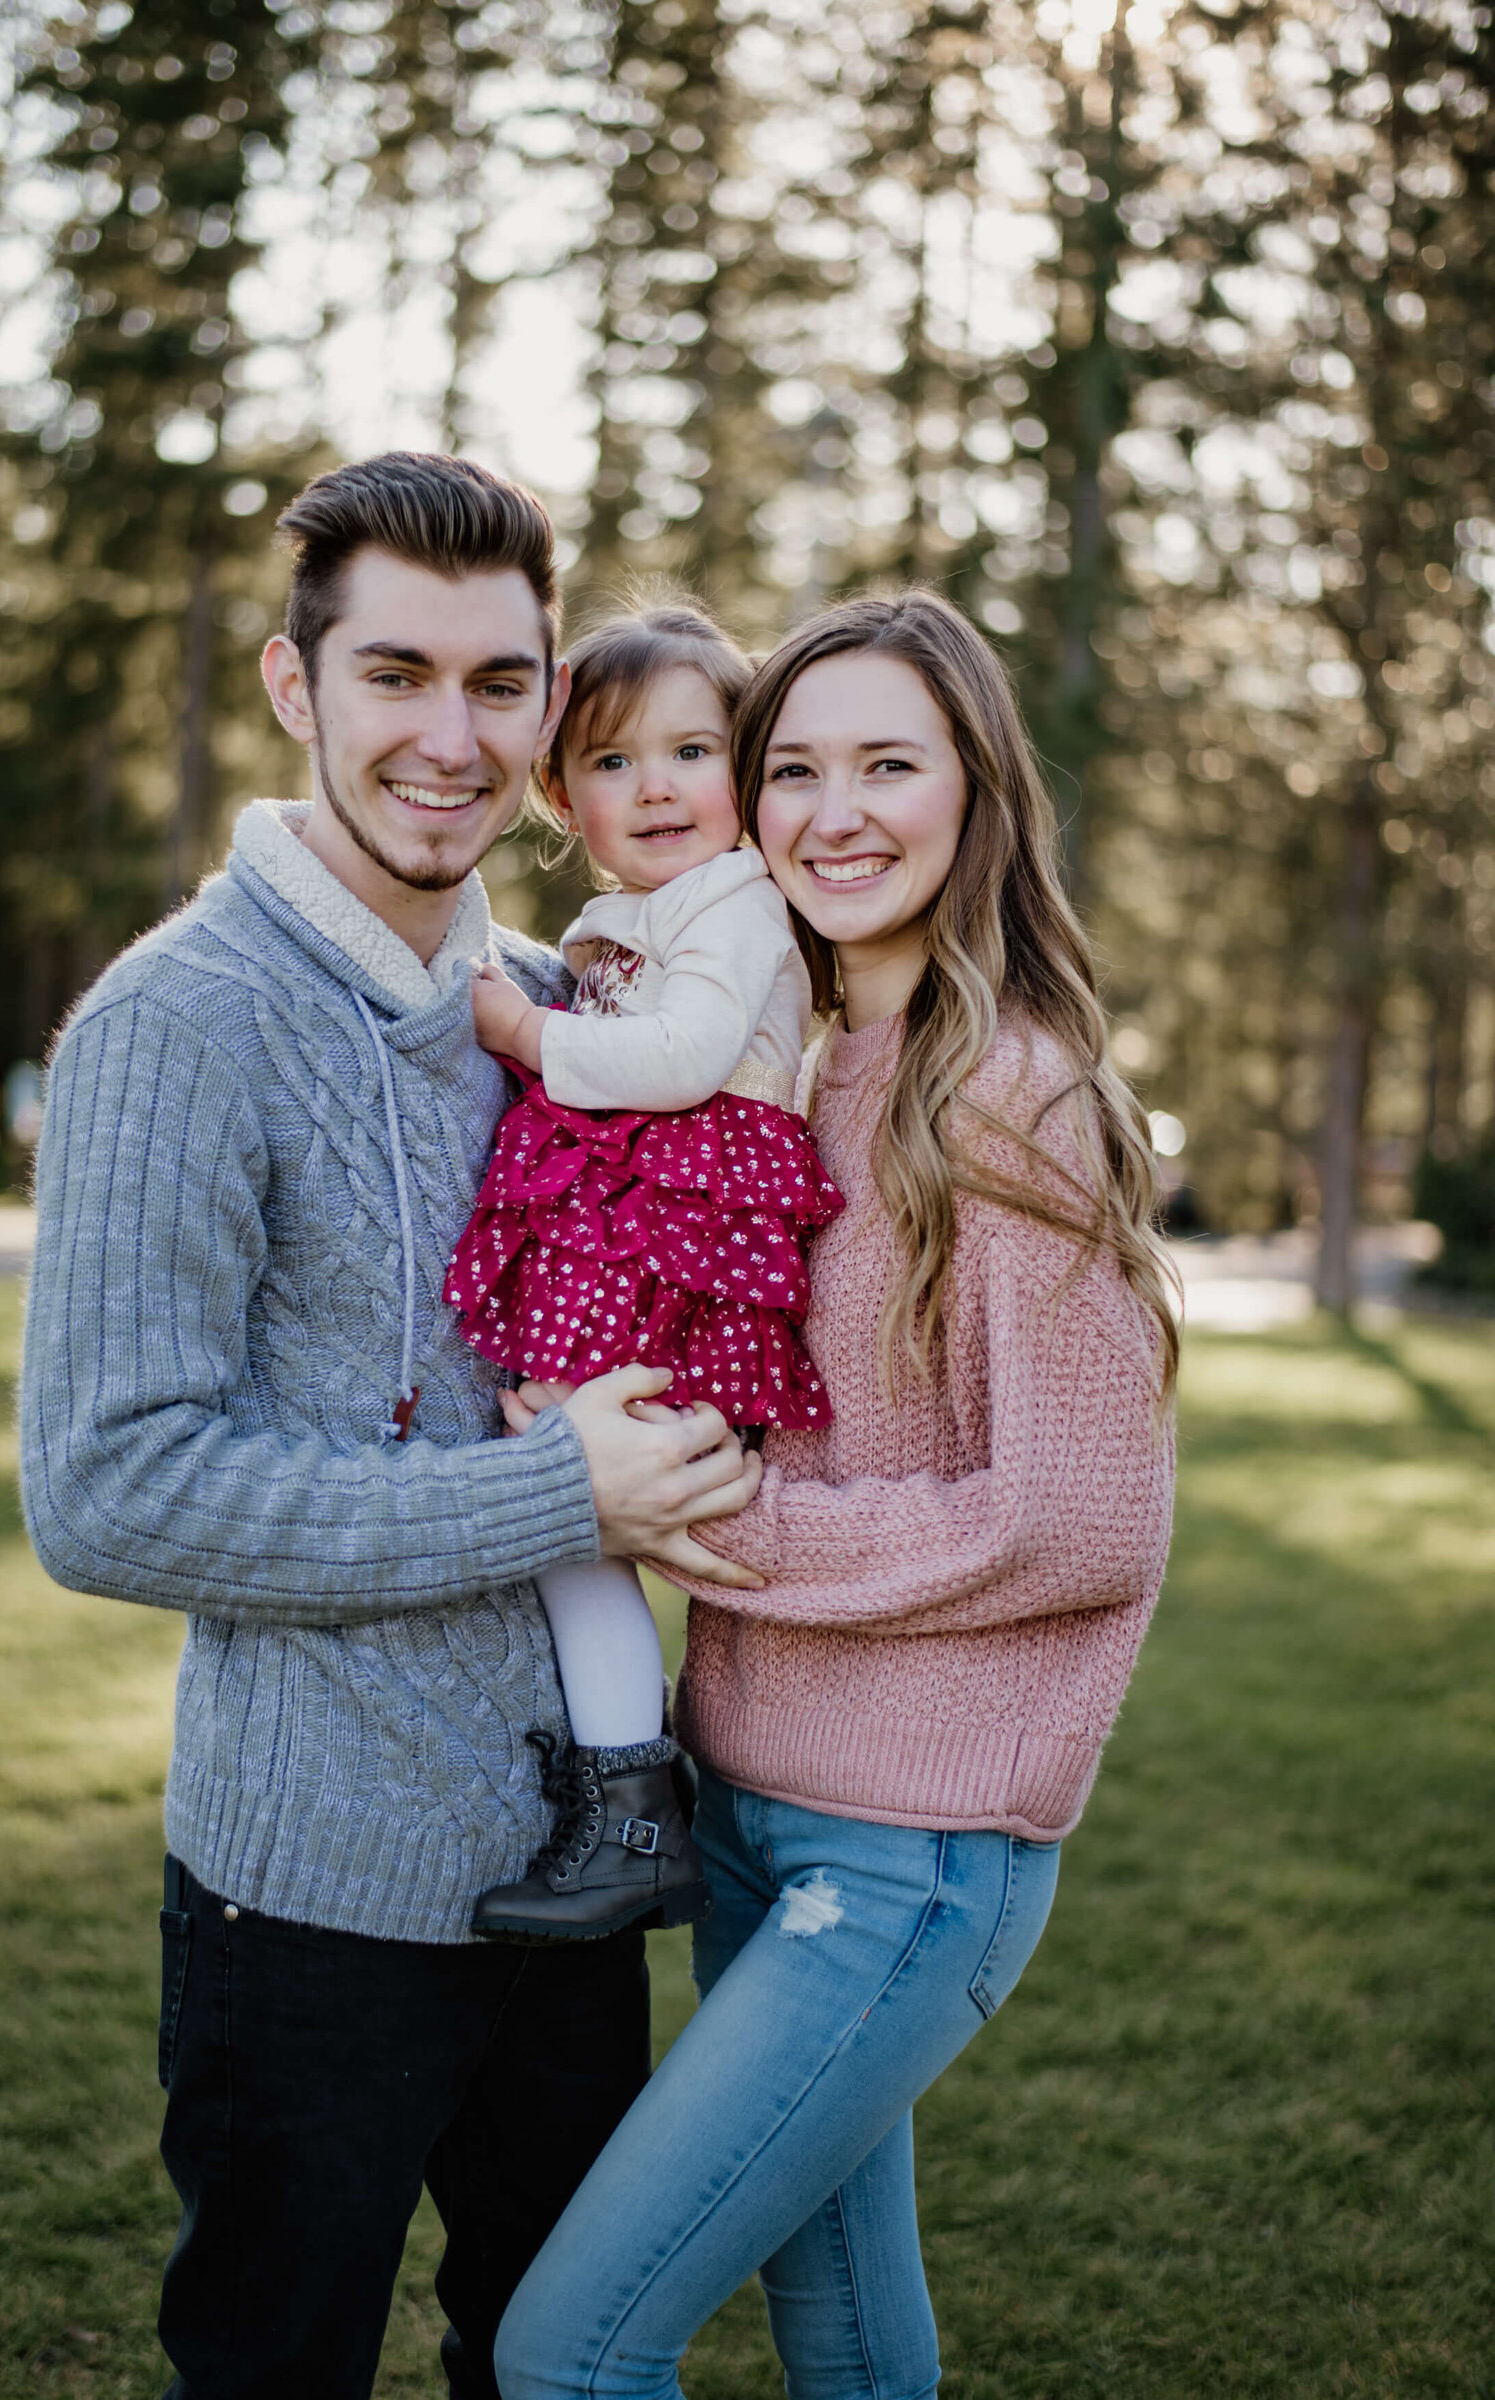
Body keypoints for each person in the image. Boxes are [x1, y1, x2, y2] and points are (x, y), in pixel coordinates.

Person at [17, 451, 762, 2400]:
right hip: (312, 1902)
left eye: (498, 685)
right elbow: (108, 1493)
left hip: (578, 1874)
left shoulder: (557, 1002)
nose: (448, 737)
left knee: (569, 2370)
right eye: (394, 676)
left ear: (545, 713)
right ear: (295, 687)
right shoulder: (175, 1024)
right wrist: (553, 1491)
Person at [492, 590, 1180, 2400]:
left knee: (569, 2352)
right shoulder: (786, 1063)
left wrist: (730, 1530)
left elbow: (1087, 1520)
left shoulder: (1011, 1098)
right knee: (851, 2341)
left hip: (911, 1849)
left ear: (980, 792)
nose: (834, 810)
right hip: (749, 1802)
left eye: (892, 762)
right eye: (789, 766)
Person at [442, 602, 842, 1943]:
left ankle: (632, 1809)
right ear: (561, 793)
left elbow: (675, 1061)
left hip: (690, 1241)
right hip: (649, 1232)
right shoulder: (638, 910)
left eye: (694, 750)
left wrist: (520, 1025)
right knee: (574, 1523)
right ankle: (630, 1792)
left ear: (751, 776)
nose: (658, 784)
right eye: (615, 761)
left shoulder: (735, 902)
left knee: (577, 1508)